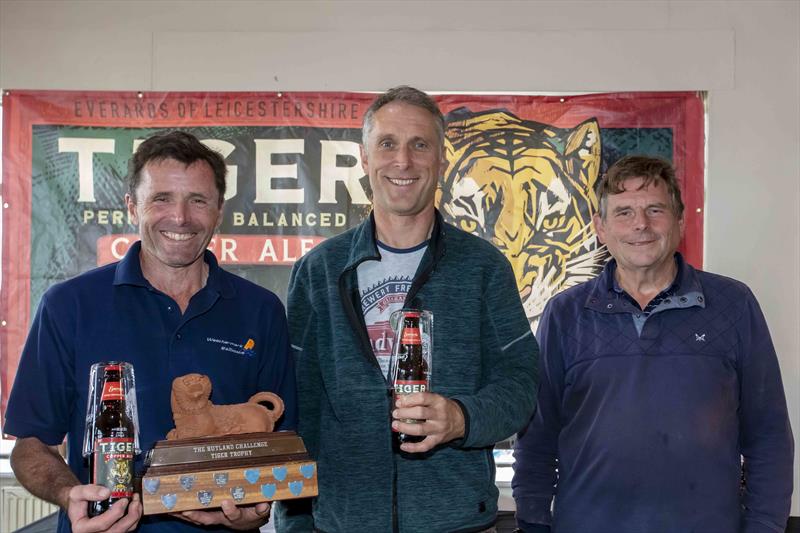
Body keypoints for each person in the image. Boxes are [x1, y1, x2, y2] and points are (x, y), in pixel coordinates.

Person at [274, 86, 538, 532]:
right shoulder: (319, 270)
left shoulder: (483, 267)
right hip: (341, 523)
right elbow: (300, 410)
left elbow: (522, 383)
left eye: (420, 144)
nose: (403, 161)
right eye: (388, 144)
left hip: (456, 522)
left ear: (442, 158)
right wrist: (295, 522)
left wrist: (462, 418)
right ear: (364, 157)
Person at [5, 131, 297, 533]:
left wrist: (257, 509)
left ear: (218, 212)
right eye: (161, 198)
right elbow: (30, 445)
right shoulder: (68, 305)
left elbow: (280, 441)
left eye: (198, 200)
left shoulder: (261, 310)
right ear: (131, 206)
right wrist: (68, 493)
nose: (180, 217)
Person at [512, 155, 794, 533]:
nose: (640, 225)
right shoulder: (565, 313)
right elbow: (536, 436)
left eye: (655, 210)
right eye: (624, 212)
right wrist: (533, 522)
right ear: (600, 228)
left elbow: (768, 435)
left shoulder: (734, 305)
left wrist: (764, 526)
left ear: (679, 222)